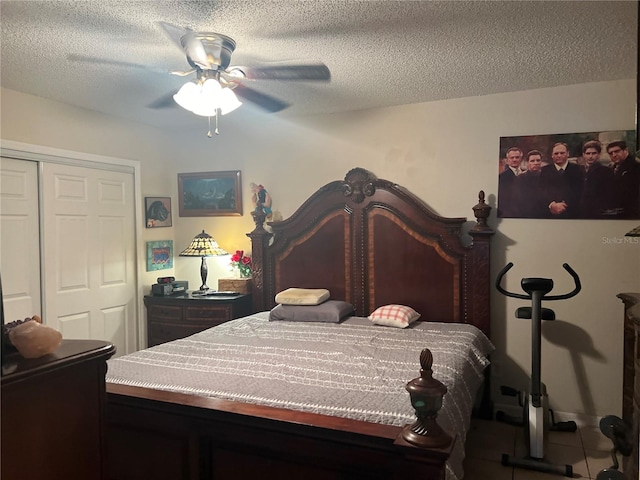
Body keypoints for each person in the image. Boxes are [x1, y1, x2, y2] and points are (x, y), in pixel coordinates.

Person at [539, 142, 583, 219]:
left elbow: (580, 191)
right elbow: (541, 191)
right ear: (552, 155)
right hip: (550, 214)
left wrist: (564, 205)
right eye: (556, 153)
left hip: (573, 213)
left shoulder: (578, 170)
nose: (559, 156)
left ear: (568, 154)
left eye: (562, 153)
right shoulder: (544, 171)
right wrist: (552, 205)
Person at [579, 140, 613, 218]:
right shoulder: (578, 170)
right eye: (588, 153)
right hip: (580, 211)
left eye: (594, 153)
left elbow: (609, 192)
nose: (590, 156)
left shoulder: (606, 171)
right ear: (583, 155)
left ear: (599, 155)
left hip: (598, 211)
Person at [606, 140, 640, 219]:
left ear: (626, 150)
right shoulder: (612, 168)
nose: (614, 155)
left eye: (617, 151)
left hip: (631, 212)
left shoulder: (635, 166)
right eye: (611, 153)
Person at [515, 150, 547, 218]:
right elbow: (519, 200)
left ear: (541, 162)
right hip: (526, 214)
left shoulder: (547, 177)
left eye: (538, 160)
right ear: (527, 163)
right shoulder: (520, 178)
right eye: (532, 161)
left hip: (544, 214)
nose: (536, 163)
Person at [498, 146, 524, 218]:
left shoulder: (525, 174)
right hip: (510, 213)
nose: (514, 160)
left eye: (517, 157)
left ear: (521, 159)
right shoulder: (502, 177)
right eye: (512, 158)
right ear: (507, 160)